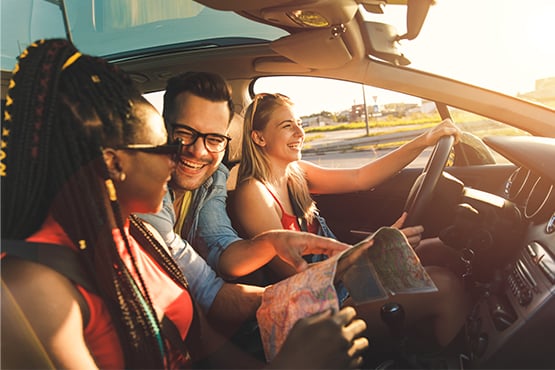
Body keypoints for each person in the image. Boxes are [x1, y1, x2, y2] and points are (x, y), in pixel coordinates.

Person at [0, 39, 369, 369]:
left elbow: (206, 342)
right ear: (114, 162)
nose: (178, 156)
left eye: (214, 140)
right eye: (168, 143)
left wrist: (303, 277)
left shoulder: (134, 236)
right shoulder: (29, 287)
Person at [230, 92, 469, 348]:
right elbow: (298, 279)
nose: (300, 132)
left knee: (444, 250)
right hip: (316, 309)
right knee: (445, 287)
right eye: (288, 126)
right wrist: (371, 251)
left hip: (343, 284)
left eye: (299, 123)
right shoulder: (253, 193)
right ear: (259, 137)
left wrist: (424, 141)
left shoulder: (296, 174)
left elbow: (360, 177)